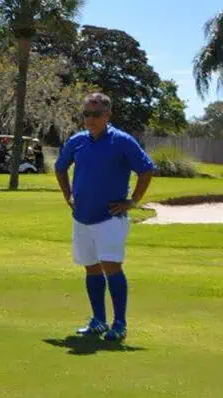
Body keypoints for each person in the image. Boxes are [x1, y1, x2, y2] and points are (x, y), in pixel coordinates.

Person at [55, 93, 155, 342]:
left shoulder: (122, 141)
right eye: (87, 114)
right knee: (91, 269)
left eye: (96, 114)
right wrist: (68, 196)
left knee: (111, 267)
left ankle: (119, 323)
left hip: (110, 217)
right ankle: (98, 320)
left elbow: (146, 170)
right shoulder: (77, 141)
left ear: (107, 115)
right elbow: (60, 168)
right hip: (82, 217)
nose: (90, 119)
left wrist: (132, 201)